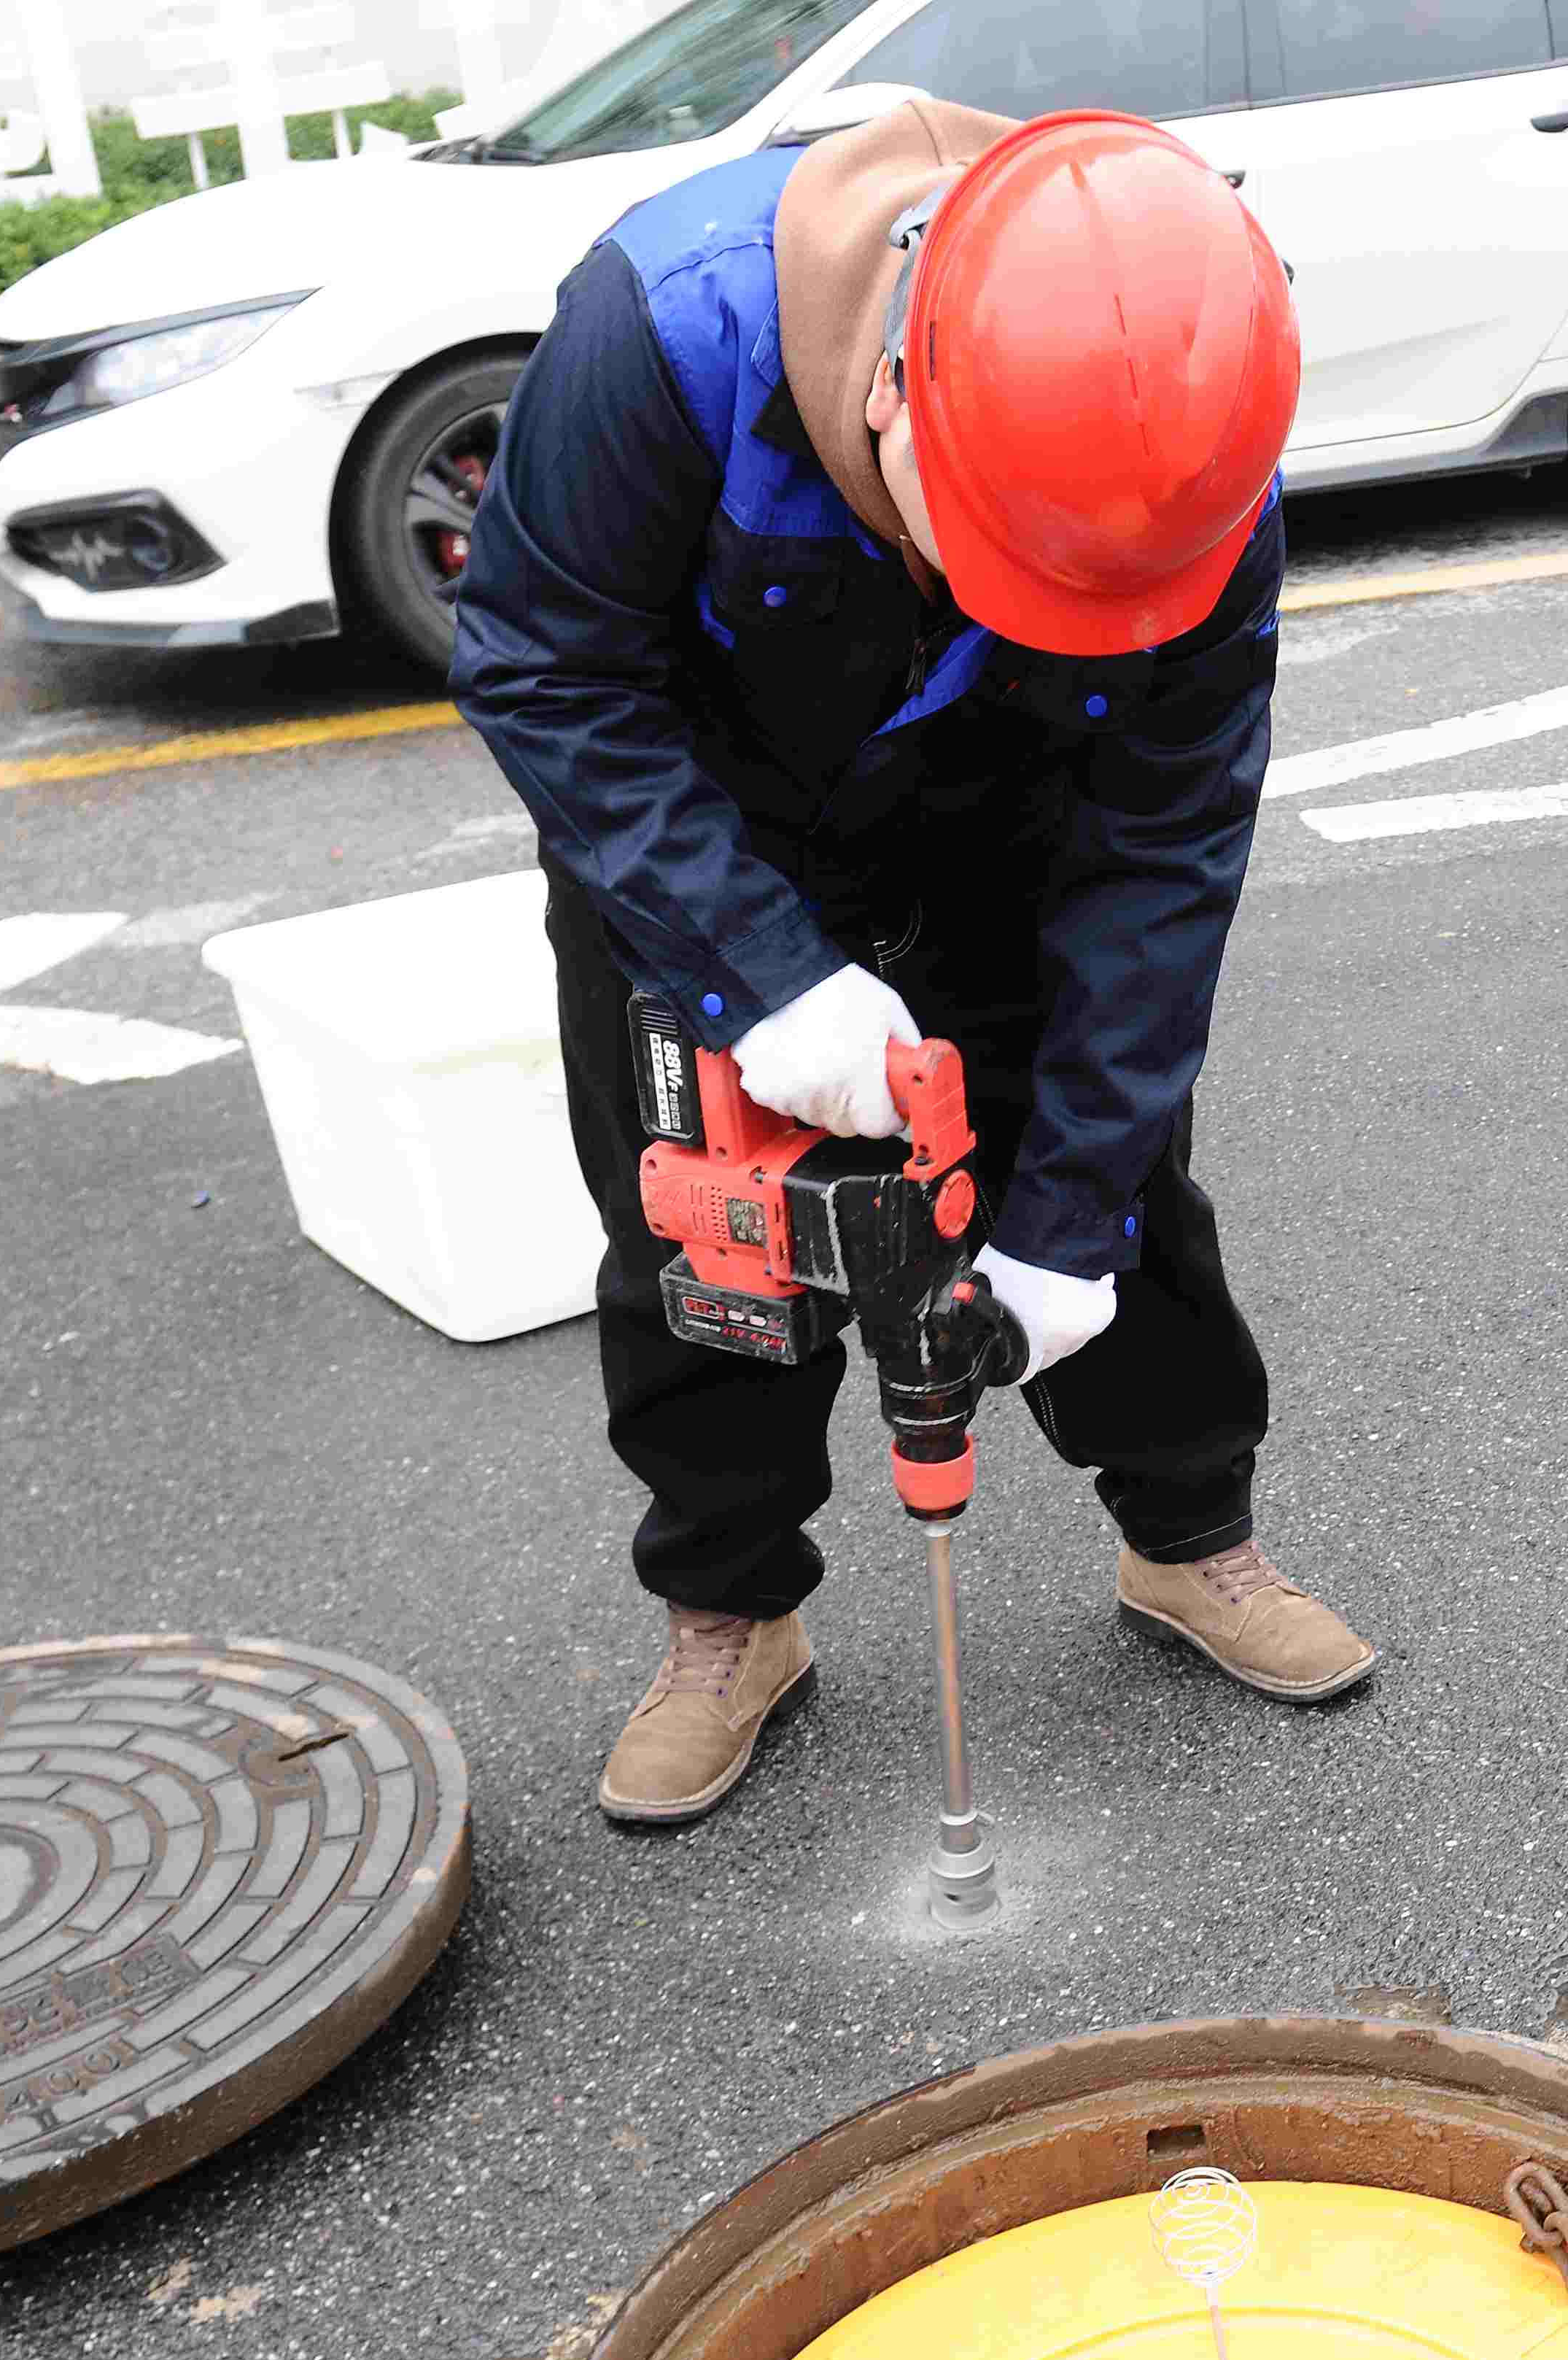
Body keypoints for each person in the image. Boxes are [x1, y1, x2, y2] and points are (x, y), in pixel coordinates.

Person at [451, 101, 1378, 1829]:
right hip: (704, 827)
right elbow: (543, 667)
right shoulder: (666, 326)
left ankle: (1192, 1539)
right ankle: (732, 1611)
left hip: (1013, 797)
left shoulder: (1194, 440)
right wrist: (759, 975)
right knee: (698, 1226)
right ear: (890, 401)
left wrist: (1066, 1230)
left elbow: (1162, 857)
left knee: (1115, 1190)